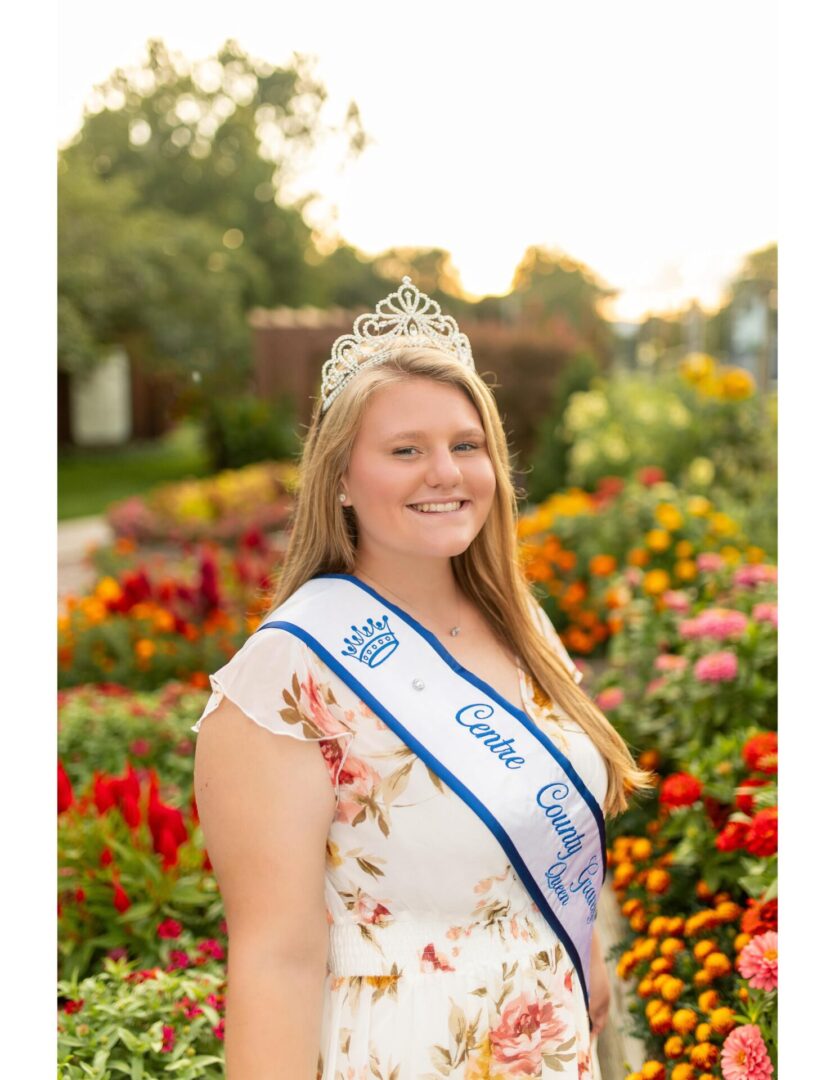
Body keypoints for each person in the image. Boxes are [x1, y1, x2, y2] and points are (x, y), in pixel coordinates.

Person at [192, 278, 651, 1079]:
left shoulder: (522, 625)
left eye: (465, 445)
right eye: (405, 450)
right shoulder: (286, 676)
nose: (445, 473)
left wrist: (586, 962)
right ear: (338, 478)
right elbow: (274, 961)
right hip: (405, 1054)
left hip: (545, 1044)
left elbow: (548, 841)